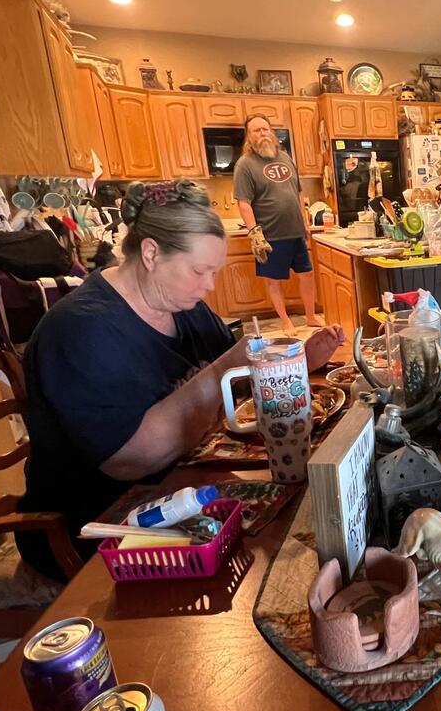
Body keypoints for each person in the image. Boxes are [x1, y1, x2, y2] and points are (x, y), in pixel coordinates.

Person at [19, 181, 343, 578]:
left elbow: (235, 386)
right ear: (152, 253)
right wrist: (226, 366)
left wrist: (292, 364)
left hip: (183, 488)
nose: (209, 285)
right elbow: (130, 460)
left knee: (307, 524)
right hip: (99, 529)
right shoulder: (78, 332)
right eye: (199, 271)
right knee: (276, 565)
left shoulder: (180, 303)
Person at [234, 113, 321, 334]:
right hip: (270, 235)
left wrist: (305, 223)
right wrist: (255, 233)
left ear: (271, 132)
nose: (262, 133)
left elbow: (298, 194)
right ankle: (285, 321)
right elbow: (244, 202)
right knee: (274, 281)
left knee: (307, 274)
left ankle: (310, 316)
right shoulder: (245, 165)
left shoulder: (285, 157)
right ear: (249, 137)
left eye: (265, 129)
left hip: (295, 231)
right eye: (256, 130)